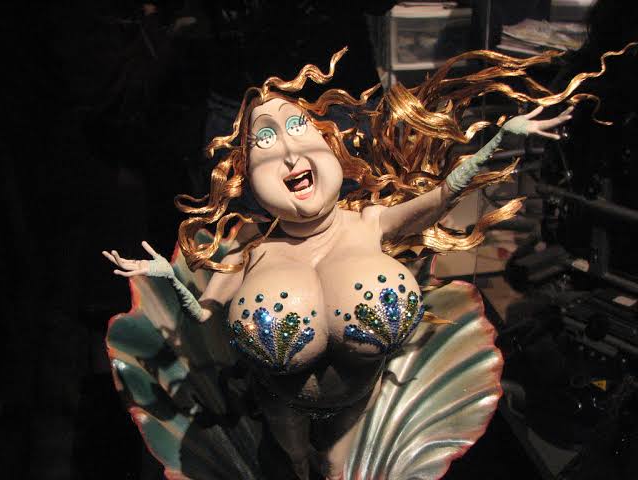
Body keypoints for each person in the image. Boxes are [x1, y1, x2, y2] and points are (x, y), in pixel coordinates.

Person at [103, 47, 614, 479]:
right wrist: (170, 277)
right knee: (294, 463)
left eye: (299, 128)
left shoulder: (369, 221)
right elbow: (202, 315)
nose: (288, 154)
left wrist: (499, 141)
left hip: (363, 409)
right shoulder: (249, 248)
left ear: (330, 144)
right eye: (265, 142)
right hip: (281, 410)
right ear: (244, 176)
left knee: (341, 467)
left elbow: (442, 196)